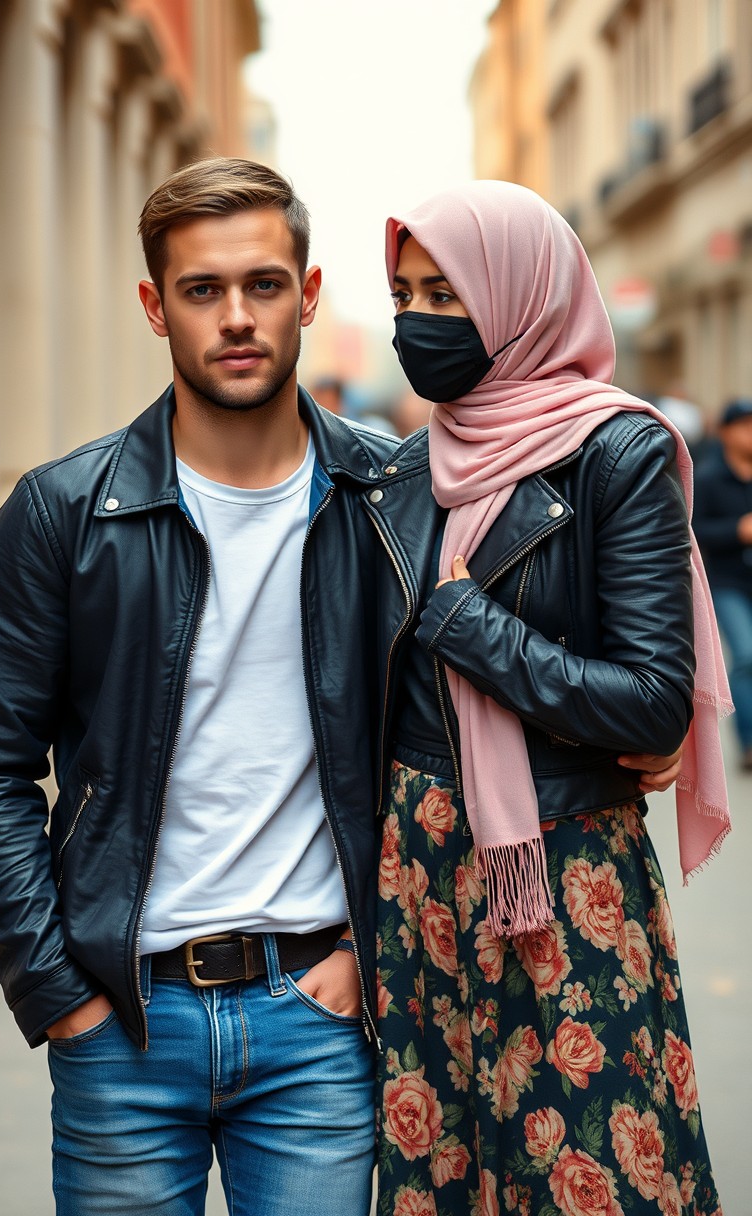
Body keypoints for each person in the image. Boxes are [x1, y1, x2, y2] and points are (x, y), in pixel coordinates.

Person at [0, 157, 406, 1216]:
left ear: (309, 293)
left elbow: (460, 739)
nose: (236, 317)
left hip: (318, 1020)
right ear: (155, 306)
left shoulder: (390, 501)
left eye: (263, 285)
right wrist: (59, 995)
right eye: (201, 290)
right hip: (124, 1022)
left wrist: (362, 954)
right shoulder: (62, 512)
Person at [371, 181, 730, 1215]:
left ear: (517, 297)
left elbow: (655, 702)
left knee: (593, 1178)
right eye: (402, 295)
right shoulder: (398, 470)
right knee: (442, 1173)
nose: (415, 324)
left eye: (446, 293)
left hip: (566, 870)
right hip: (419, 879)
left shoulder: (618, 452)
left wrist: (469, 625)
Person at [693, 397, 752, 771]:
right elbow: (693, 532)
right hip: (729, 584)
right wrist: (738, 531)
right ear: (726, 432)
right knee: (746, 657)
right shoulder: (708, 477)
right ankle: (749, 743)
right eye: (744, 425)